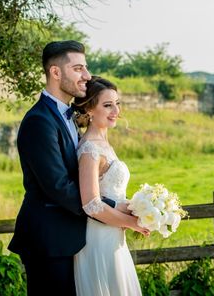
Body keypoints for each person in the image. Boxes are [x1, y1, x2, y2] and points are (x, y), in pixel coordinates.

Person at [8, 41, 123, 295]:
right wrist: (109, 206)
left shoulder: (69, 116)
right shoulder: (40, 121)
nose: (87, 76)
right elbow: (57, 186)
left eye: (86, 68)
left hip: (73, 239)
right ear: (56, 72)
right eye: (78, 69)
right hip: (49, 241)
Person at [72, 76, 149, 295]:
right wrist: (131, 222)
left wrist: (140, 208)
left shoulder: (104, 144)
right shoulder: (89, 150)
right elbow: (91, 204)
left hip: (113, 235)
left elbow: (109, 193)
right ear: (89, 110)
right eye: (107, 105)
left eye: (117, 103)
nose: (115, 110)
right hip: (98, 237)